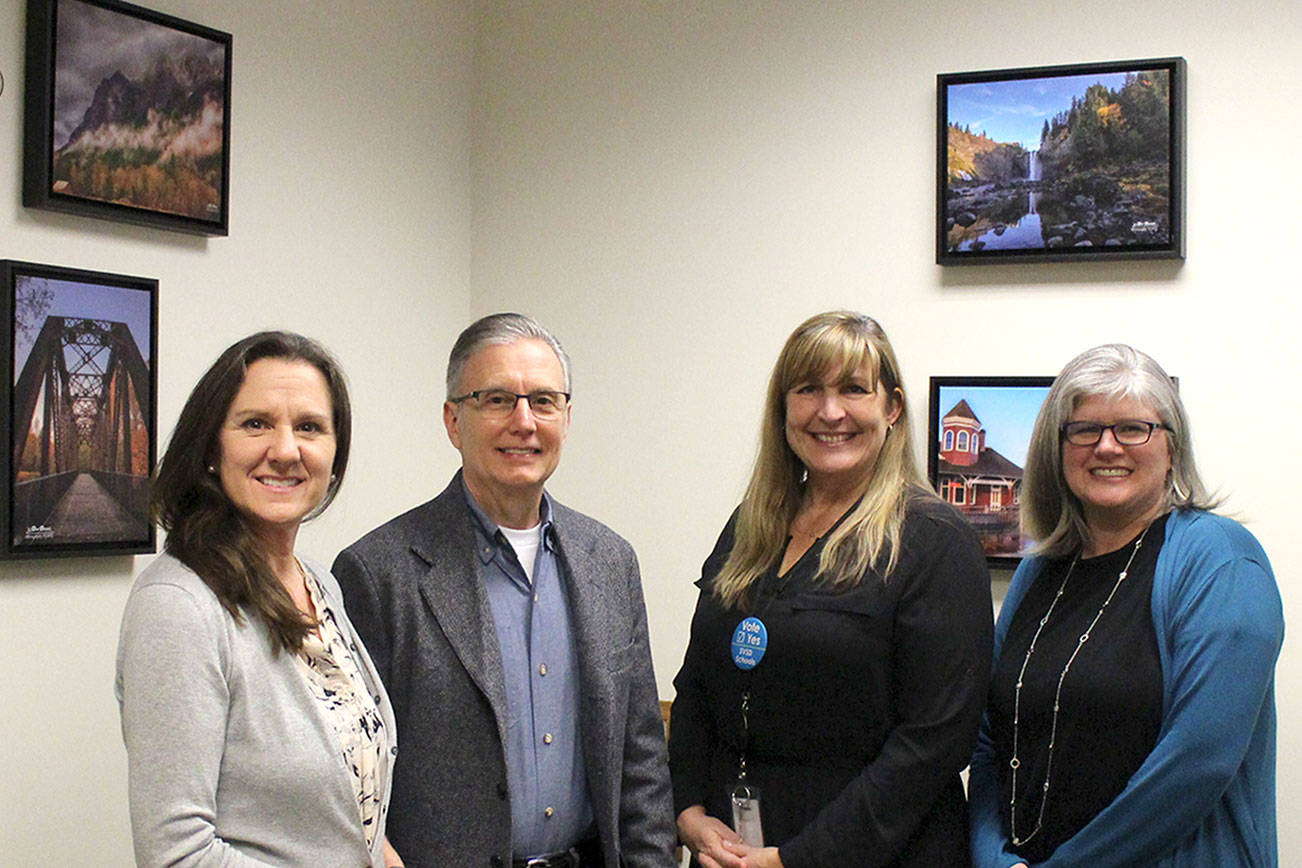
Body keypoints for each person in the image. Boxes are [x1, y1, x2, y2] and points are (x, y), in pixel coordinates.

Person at [333, 312, 676, 868]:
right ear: (452, 421)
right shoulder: (379, 574)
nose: (524, 422)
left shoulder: (610, 562)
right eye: (496, 400)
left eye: (544, 401)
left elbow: (640, 762)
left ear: (566, 418)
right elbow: (354, 783)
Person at [669, 311, 993, 868]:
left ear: (891, 408)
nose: (830, 411)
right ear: (784, 409)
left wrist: (795, 859)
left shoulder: (936, 543)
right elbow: (699, 682)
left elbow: (933, 744)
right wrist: (688, 812)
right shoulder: (751, 525)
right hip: (730, 850)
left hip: (876, 854)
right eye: (809, 390)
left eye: (853, 389)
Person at [968, 344, 1284, 868]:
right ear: (1058, 445)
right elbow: (988, 743)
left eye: (1134, 428)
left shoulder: (1221, 561)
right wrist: (992, 857)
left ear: (1171, 446)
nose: (1107, 447)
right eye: (1085, 429)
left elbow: (1199, 762)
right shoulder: (1038, 570)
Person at [115, 331, 401, 867]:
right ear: (210, 447)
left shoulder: (321, 585)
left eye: (310, 428)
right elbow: (177, 855)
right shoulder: (180, 607)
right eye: (256, 424)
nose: (286, 450)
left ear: (335, 455)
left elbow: (338, 802)